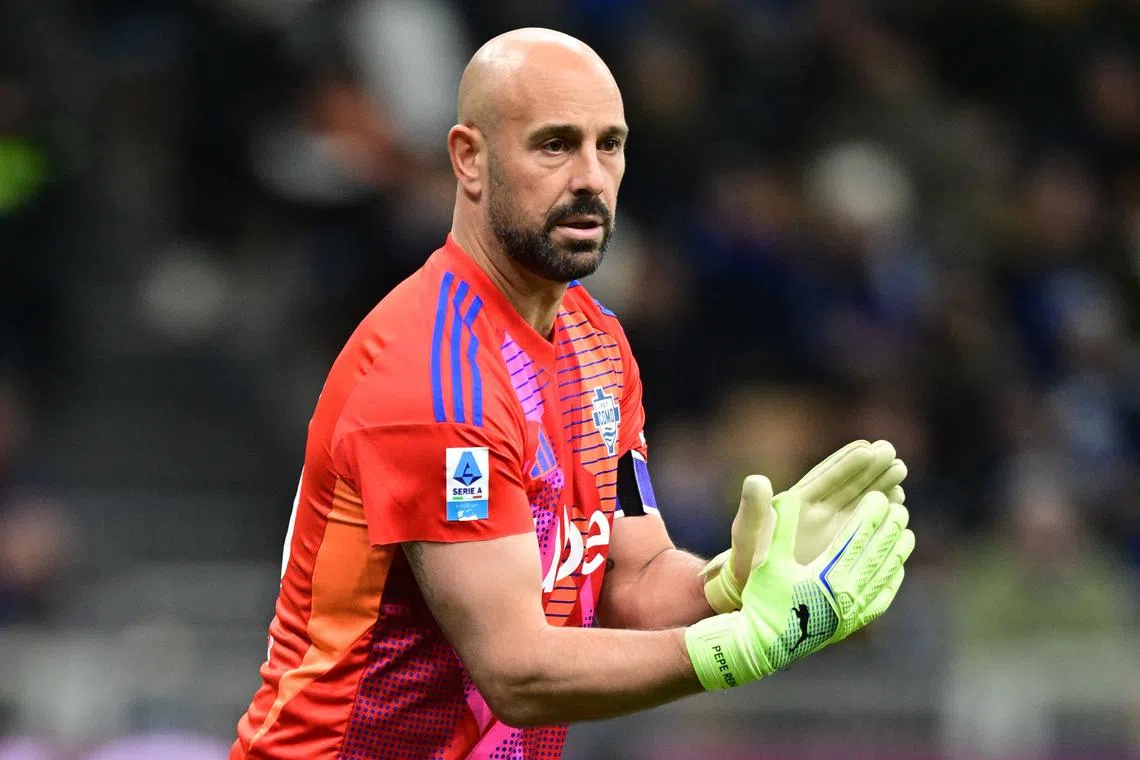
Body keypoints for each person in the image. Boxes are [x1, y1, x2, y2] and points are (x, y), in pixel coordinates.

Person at [230, 28, 915, 760]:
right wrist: (735, 648)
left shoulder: (597, 344)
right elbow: (516, 669)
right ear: (470, 158)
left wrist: (737, 580)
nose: (591, 177)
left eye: (609, 145)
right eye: (554, 145)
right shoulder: (434, 378)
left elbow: (635, 578)